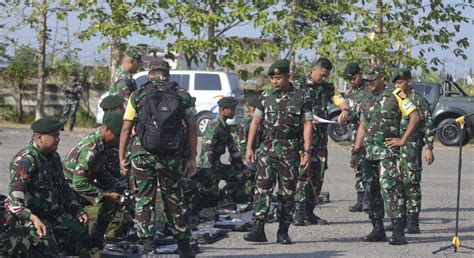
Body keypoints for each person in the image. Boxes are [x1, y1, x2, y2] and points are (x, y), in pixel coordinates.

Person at [119, 62, 197, 256]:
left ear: (149, 75)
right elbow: (192, 128)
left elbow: (126, 128)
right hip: (171, 154)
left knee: (144, 199)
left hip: (142, 153)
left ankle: (148, 247)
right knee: (174, 198)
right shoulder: (182, 94)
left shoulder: (138, 95)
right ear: (168, 75)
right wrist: (192, 158)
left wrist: (122, 157)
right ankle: (184, 246)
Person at [243, 60, 313, 245]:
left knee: (286, 192)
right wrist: (249, 148)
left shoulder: (301, 97)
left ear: (288, 76)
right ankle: (258, 228)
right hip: (267, 149)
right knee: (262, 188)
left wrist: (307, 151)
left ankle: (283, 231)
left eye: (278, 77)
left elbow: (307, 124)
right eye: (272, 78)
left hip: (289, 149)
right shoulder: (265, 96)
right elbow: (255, 123)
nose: (275, 81)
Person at [353, 65, 419, 245]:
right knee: (371, 190)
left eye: (372, 80)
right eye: (366, 80)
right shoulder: (365, 98)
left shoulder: (397, 94)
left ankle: (398, 230)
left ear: (382, 77)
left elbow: (414, 116)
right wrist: (356, 150)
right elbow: (362, 125)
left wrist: (402, 140)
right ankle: (377, 229)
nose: (368, 83)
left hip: (387, 152)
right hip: (368, 153)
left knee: (390, 189)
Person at [6, 118, 89, 256]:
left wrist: (78, 210)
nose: (58, 139)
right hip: (29, 217)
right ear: (39, 138)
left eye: (58, 136)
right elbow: (13, 202)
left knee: (80, 231)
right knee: (47, 246)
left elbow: (64, 188)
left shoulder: (53, 157)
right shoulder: (25, 160)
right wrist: (32, 218)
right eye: (54, 136)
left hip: (52, 214)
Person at [293, 57, 349, 225]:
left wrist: (344, 109)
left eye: (327, 76)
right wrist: (306, 120)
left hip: (321, 140)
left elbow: (339, 98)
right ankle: (298, 212)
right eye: (322, 75)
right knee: (303, 174)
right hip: (303, 138)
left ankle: (310, 212)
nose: (324, 78)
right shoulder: (298, 86)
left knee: (318, 174)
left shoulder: (327, 88)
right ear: (314, 70)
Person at [63, 112, 125, 248]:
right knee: (78, 241)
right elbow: (78, 184)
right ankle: (91, 240)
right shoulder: (90, 150)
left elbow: (100, 172)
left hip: (79, 188)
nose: (119, 139)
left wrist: (119, 185)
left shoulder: (102, 144)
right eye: (117, 135)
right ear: (106, 129)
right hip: (69, 194)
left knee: (117, 192)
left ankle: (97, 237)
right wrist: (107, 196)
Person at [392, 68, 435, 234]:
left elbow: (428, 125)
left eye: (400, 82)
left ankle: (413, 222)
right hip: (395, 146)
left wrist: (428, 148)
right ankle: (399, 220)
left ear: (409, 82)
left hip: (411, 145)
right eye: (395, 82)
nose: (398, 85)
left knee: (411, 183)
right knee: (396, 183)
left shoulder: (418, 100)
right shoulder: (394, 99)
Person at [195, 97, 252, 210]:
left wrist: (243, 168)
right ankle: (216, 196)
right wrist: (211, 177)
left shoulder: (225, 127)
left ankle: (226, 194)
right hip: (207, 168)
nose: (234, 112)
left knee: (241, 176)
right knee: (210, 200)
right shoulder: (214, 127)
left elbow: (233, 151)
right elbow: (208, 153)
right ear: (223, 109)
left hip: (217, 165)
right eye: (232, 109)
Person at [343, 62, 370, 212]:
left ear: (360, 75)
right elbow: (350, 109)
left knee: (368, 167)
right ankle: (360, 199)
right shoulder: (349, 91)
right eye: (349, 80)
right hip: (355, 133)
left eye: (354, 78)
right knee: (357, 166)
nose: (352, 82)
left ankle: (369, 199)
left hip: (368, 135)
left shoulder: (369, 89)